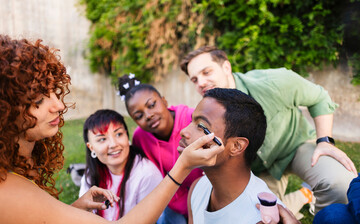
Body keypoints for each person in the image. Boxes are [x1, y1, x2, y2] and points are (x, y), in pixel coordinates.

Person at [0, 35, 224, 224]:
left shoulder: (17, 171)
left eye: (53, 93)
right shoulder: (8, 189)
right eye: (38, 100)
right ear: (5, 112)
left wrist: (76, 208)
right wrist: (182, 165)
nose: (58, 105)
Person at [180, 46, 357, 217]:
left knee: (339, 182)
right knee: (256, 215)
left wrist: (325, 141)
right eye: (194, 80)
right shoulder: (208, 110)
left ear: (226, 67)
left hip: (295, 146)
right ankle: (304, 195)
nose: (201, 83)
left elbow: (320, 97)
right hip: (258, 169)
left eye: (206, 72)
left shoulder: (274, 82)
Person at [180, 88, 283, 223]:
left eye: (201, 126)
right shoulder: (197, 188)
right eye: (191, 121)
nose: (184, 131)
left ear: (236, 146)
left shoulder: (262, 217)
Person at [117, 75, 203, 223]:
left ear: (164, 101)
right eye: (139, 116)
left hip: (206, 197)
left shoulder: (192, 119)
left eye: (151, 105)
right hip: (172, 206)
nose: (149, 115)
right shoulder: (140, 138)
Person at [80, 109, 163, 220]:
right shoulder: (91, 173)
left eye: (119, 134)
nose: (113, 144)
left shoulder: (147, 174)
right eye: (102, 139)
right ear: (91, 147)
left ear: (127, 136)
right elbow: (83, 216)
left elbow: (147, 220)